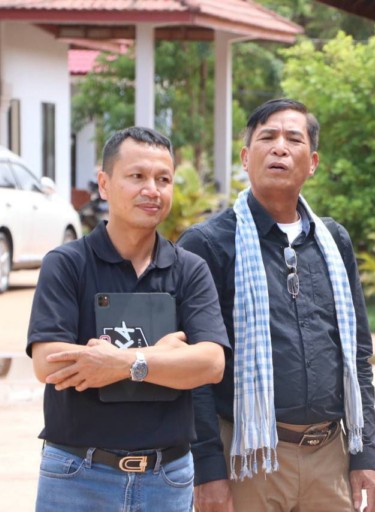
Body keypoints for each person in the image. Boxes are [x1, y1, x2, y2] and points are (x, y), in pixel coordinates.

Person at [177, 98, 375, 512]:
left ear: (313, 162)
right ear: (245, 157)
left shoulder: (333, 241)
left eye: (294, 139)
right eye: (267, 137)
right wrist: (208, 469)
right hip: (247, 456)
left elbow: (357, 354)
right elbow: (194, 371)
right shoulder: (208, 244)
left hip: (329, 455)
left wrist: (366, 454)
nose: (280, 148)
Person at [26, 126, 230, 511]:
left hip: (167, 480)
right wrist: (164, 357)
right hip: (77, 475)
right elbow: (48, 363)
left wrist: (123, 362)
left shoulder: (190, 270)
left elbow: (211, 363)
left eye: (163, 179)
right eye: (137, 176)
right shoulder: (67, 264)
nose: (152, 189)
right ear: (104, 184)